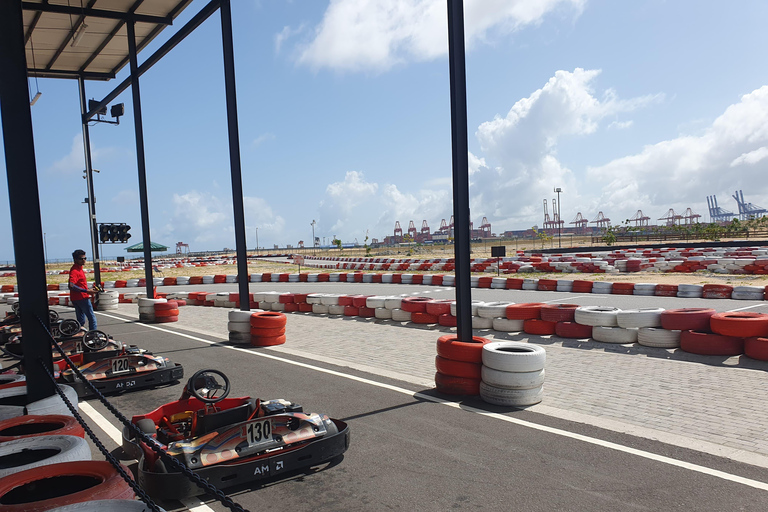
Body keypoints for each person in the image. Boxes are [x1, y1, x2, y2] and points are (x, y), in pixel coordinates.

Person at [69, 249, 98, 331]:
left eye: (85, 258)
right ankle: (93, 334)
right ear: (75, 259)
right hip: (82, 297)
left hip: (77, 297)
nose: (84, 260)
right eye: (81, 259)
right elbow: (71, 285)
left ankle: (79, 334)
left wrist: (89, 290)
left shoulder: (79, 269)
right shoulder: (75, 271)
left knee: (81, 320)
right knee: (91, 317)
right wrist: (87, 291)